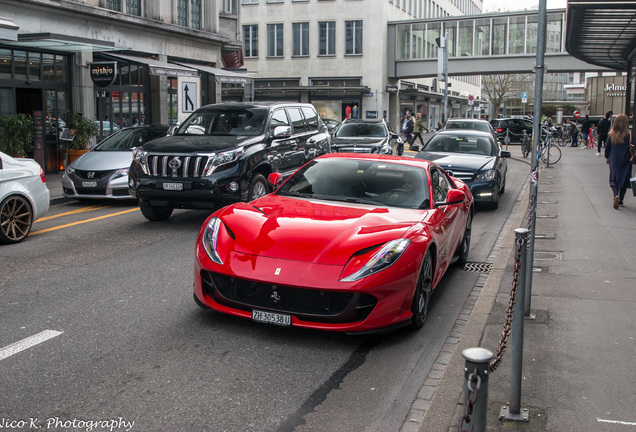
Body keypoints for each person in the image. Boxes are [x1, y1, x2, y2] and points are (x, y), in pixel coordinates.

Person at [604, 113, 633, 209]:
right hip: (626, 161)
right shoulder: (629, 135)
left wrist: (607, 157)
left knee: (613, 179)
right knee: (624, 180)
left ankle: (615, 194)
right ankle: (621, 199)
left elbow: (607, 148)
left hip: (614, 160)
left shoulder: (611, 135)